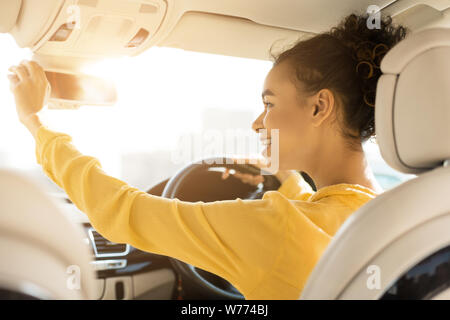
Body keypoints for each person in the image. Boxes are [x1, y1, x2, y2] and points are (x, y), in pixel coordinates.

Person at [7, 14, 407, 299]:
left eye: (269, 104)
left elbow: (120, 212)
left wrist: (36, 124)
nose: (257, 123)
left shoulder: (276, 228)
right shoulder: (391, 214)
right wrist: (283, 174)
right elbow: (315, 219)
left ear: (320, 107)